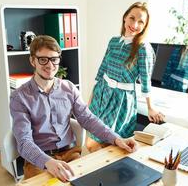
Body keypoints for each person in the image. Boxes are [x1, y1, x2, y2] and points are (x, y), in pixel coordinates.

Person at [10, 35, 137, 182]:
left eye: (54, 59)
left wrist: (117, 139)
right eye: (43, 59)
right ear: (32, 60)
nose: (50, 65)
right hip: (39, 159)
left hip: (70, 153)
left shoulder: (68, 88)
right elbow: (24, 142)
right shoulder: (19, 97)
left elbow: (88, 119)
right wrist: (48, 162)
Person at [86, 2, 165, 152]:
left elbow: (146, 81)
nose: (134, 24)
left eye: (141, 21)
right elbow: (102, 68)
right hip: (101, 93)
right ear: (125, 18)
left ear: (145, 25)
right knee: (91, 143)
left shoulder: (143, 49)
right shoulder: (114, 41)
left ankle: (106, 174)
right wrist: (91, 96)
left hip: (120, 100)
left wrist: (150, 107)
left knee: (105, 145)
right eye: (132, 18)